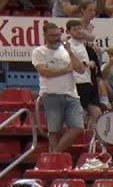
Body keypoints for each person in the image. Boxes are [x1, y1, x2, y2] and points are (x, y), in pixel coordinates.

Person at [31, 20, 87, 154]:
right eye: (52, 36)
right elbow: (44, 72)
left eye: (57, 35)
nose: (56, 38)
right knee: (54, 131)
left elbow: (81, 69)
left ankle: (54, 154)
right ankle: (55, 160)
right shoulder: (39, 51)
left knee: (78, 128)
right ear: (45, 36)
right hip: (51, 95)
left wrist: (70, 53)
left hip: (72, 95)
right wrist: (66, 70)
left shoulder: (66, 50)